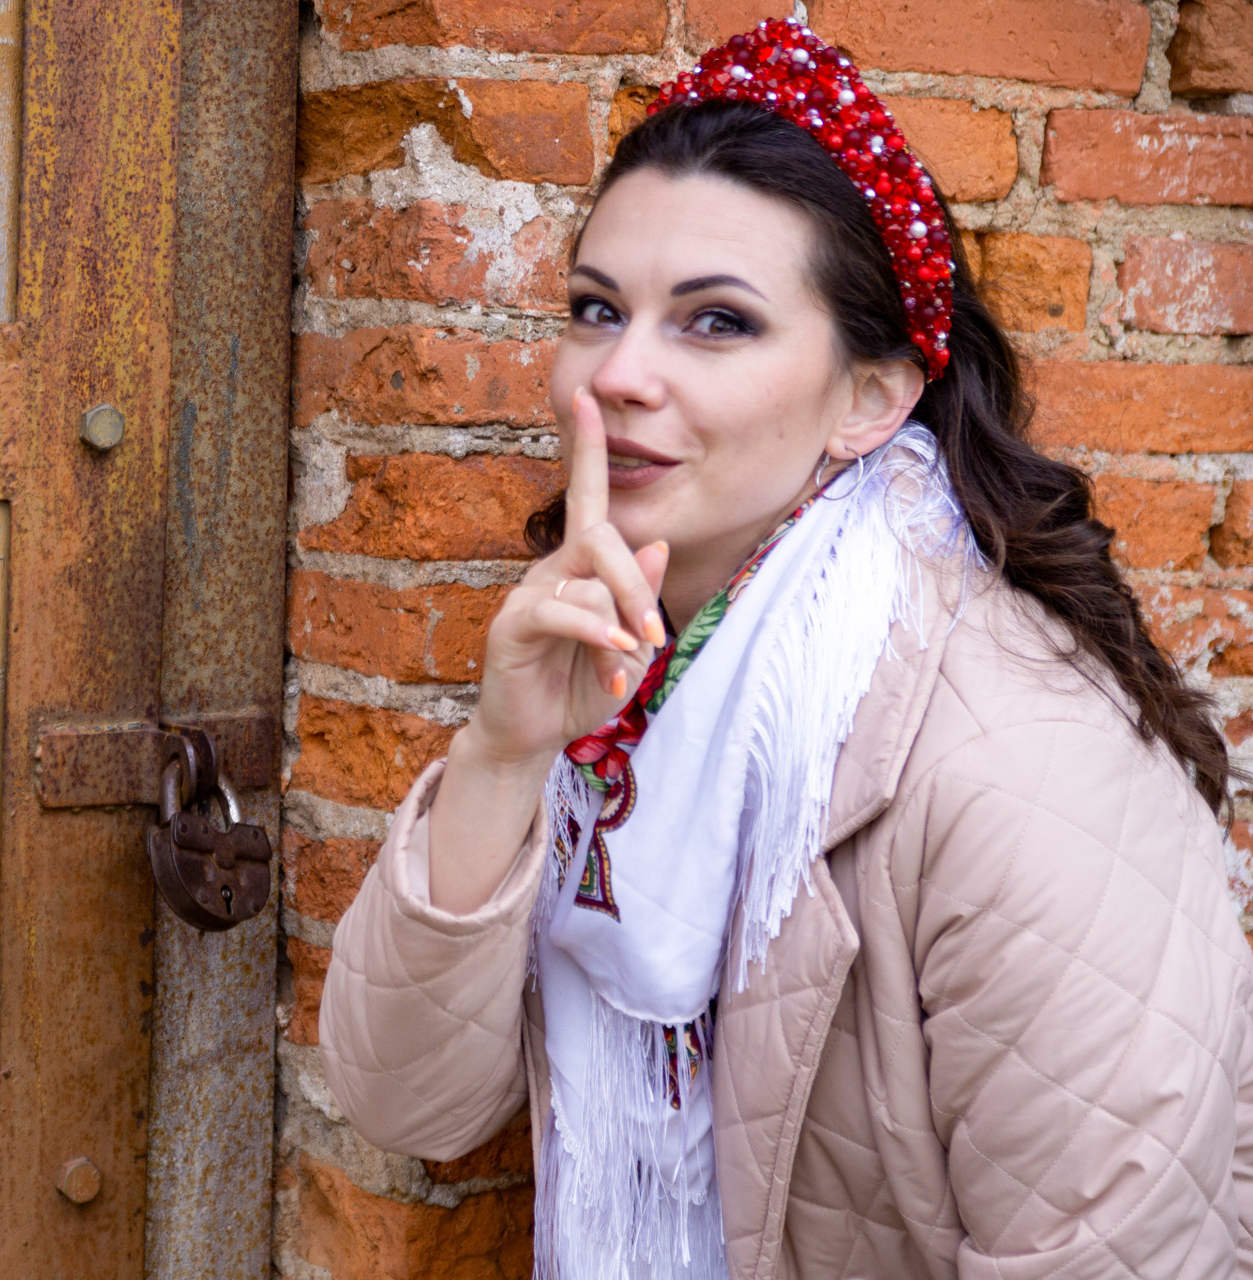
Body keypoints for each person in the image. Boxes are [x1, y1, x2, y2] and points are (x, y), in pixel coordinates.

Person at [316, 17, 1253, 1280]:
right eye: (596, 309)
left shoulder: (1020, 759)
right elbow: (407, 1103)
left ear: (871, 395)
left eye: (716, 322)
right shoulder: (626, 678)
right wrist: (501, 755)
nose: (618, 374)